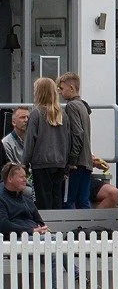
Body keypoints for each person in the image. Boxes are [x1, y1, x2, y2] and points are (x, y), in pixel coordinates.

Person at [21, 77, 71, 211]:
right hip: (59, 163)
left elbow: (30, 141)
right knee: (57, 200)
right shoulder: (63, 115)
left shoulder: (36, 113)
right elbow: (68, 141)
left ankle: (46, 228)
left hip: (41, 163)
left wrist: (24, 163)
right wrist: (66, 164)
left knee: (43, 201)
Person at [57, 72, 94, 209]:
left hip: (76, 163)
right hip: (86, 162)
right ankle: (87, 230)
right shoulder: (83, 106)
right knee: (83, 200)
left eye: (62, 88)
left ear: (71, 88)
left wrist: (71, 160)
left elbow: (77, 134)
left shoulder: (71, 106)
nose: (60, 92)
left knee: (68, 200)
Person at [1, 161, 48, 236]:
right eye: (21, 177)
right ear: (10, 179)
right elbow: (3, 225)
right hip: (17, 239)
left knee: (54, 239)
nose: (25, 180)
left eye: (25, 177)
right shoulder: (2, 199)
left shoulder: (27, 200)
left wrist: (41, 229)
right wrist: (31, 231)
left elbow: (40, 222)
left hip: (36, 236)